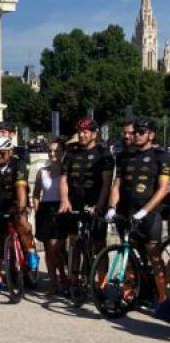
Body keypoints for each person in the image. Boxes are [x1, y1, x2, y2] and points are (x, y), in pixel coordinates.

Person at [105, 118, 170, 305]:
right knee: (130, 255)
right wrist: (111, 207)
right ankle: (133, 294)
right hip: (126, 211)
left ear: (151, 135)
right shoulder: (123, 156)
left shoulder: (161, 156)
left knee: (154, 257)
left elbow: (163, 189)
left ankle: (163, 300)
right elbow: (116, 185)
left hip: (150, 213)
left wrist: (144, 211)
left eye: (141, 132)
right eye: (135, 132)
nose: (136, 136)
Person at [58, 117, 114, 290]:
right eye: (80, 132)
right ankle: (74, 280)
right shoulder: (71, 153)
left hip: (95, 203)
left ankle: (102, 283)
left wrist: (100, 205)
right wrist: (64, 200)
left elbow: (106, 183)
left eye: (86, 132)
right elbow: (63, 179)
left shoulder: (103, 154)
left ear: (94, 134)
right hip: (75, 203)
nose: (82, 135)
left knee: (99, 244)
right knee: (75, 242)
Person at [0, 137, 40, 292]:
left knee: (22, 223)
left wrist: (22, 208)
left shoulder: (18, 165)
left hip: (13, 203)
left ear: (10, 152)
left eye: (2, 153)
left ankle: (31, 251)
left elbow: (21, 188)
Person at [33, 140, 67, 294]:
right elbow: (36, 193)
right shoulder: (42, 171)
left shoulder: (66, 171)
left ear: (62, 152)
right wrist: (36, 207)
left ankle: (63, 277)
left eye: (56, 151)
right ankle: (54, 282)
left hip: (61, 209)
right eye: (50, 151)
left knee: (56, 248)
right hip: (45, 210)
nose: (52, 154)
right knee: (49, 249)